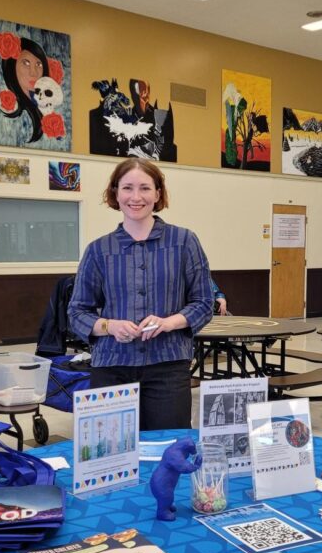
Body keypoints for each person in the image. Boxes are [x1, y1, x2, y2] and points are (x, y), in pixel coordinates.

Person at [68, 157, 213, 430]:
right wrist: (110, 326)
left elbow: (204, 303)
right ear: (115, 193)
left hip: (169, 367)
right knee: (110, 454)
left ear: (158, 194)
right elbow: (77, 312)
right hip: (111, 366)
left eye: (145, 188)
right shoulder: (98, 250)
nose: (136, 197)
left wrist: (169, 322)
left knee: (168, 450)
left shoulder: (184, 242)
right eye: (127, 188)